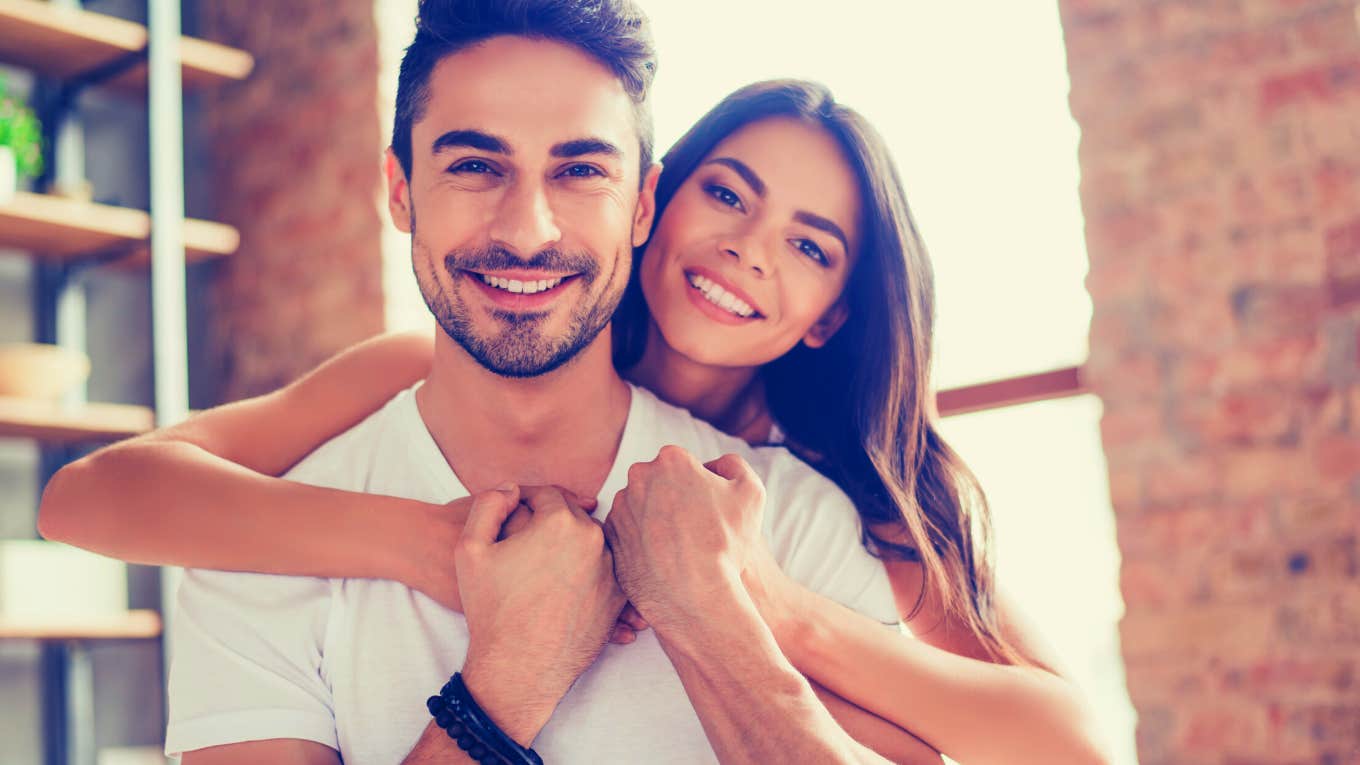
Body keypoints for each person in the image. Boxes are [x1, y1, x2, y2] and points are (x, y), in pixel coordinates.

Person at [40, 5, 1113, 765]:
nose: (747, 251)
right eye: (728, 195)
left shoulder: (807, 506)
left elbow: (1058, 741)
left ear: (630, 201)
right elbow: (91, 496)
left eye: (811, 246)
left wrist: (746, 606)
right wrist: (438, 550)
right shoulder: (381, 403)